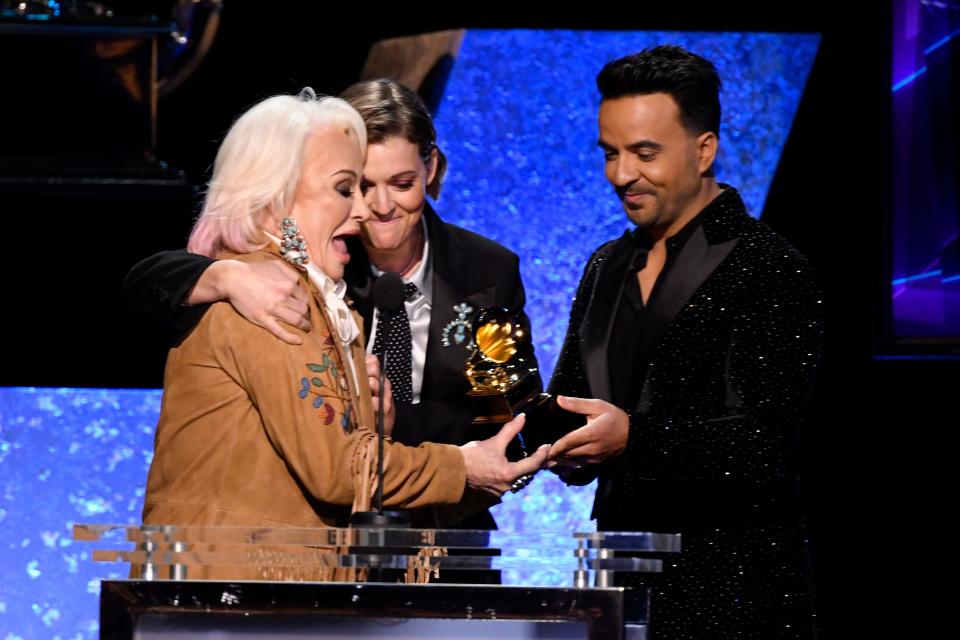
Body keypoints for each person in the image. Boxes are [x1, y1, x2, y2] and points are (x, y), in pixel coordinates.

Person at [141, 90, 546, 557]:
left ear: (430, 168)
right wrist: (460, 466)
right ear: (276, 198)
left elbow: (505, 409)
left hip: (411, 545)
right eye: (349, 188)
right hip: (242, 587)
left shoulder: (478, 271)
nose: (369, 208)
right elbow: (337, 469)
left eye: (399, 182)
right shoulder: (272, 297)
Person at [546, 46, 824, 639]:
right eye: (611, 153)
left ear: (705, 149)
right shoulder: (606, 265)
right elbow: (571, 396)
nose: (622, 174)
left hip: (731, 588)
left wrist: (632, 438)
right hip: (616, 577)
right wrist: (552, 441)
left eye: (645, 153)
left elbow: (765, 442)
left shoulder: (770, 266)